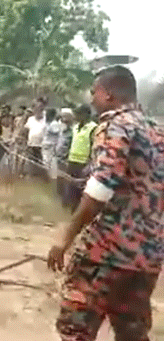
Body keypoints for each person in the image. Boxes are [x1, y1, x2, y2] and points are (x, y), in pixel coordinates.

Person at [47, 65, 164, 341]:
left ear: (109, 95)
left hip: (107, 251)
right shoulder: (157, 133)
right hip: (147, 256)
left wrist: (64, 239)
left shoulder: (114, 125)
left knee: (75, 327)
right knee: (131, 331)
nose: (91, 99)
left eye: (94, 92)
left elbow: (101, 188)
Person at [62, 104, 97, 212]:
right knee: (70, 188)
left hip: (84, 164)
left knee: (81, 190)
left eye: (78, 114)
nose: (76, 116)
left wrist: (90, 163)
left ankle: (79, 212)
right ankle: (70, 212)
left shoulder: (93, 128)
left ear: (86, 115)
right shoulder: (75, 127)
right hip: (72, 162)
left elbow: (94, 146)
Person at [22, 98, 48, 180]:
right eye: (35, 107)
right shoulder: (30, 119)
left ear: (43, 107)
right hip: (31, 147)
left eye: (40, 106)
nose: (38, 108)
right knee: (31, 168)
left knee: (43, 169)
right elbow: (25, 132)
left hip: (43, 148)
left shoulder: (47, 119)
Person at [55, 108, 75, 203]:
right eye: (62, 116)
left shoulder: (73, 131)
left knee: (65, 181)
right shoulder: (62, 129)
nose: (63, 119)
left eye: (65, 116)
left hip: (66, 160)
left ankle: (65, 201)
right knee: (59, 179)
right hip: (59, 159)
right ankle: (58, 199)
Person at [42, 108, 61, 179]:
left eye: (48, 114)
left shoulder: (54, 124)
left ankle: (51, 179)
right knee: (45, 164)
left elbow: (56, 132)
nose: (46, 116)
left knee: (50, 165)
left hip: (51, 147)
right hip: (45, 147)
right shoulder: (47, 123)